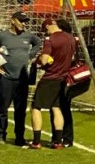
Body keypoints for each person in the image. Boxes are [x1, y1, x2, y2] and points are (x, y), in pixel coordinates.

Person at [0, 12, 42, 146]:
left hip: (22, 79)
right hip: (6, 78)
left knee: (20, 110)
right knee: (3, 108)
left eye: (25, 21)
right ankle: (1, 135)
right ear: (13, 20)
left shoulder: (28, 35)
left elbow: (38, 42)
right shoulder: (2, 36)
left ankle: (19, 137)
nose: (24, 24)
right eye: (21, 21)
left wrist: (29, 55)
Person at [28, 18, 75, 150]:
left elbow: (44, 60)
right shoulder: (71, 38)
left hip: (50, 78)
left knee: (36, 107)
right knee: (56, 108)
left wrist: (38, 60)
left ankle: (36, 141)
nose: (46, 32)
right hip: (64, 78)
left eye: (45, 29)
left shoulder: (50, 39)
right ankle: (58, 141)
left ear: (49, 26)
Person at [51, 19, 78, 148]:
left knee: (61, 108)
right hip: (64, 78)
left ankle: (64, 138)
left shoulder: (67, 41)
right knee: (60, 107)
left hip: (63, 78)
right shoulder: (71, 40)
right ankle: (61, 138)